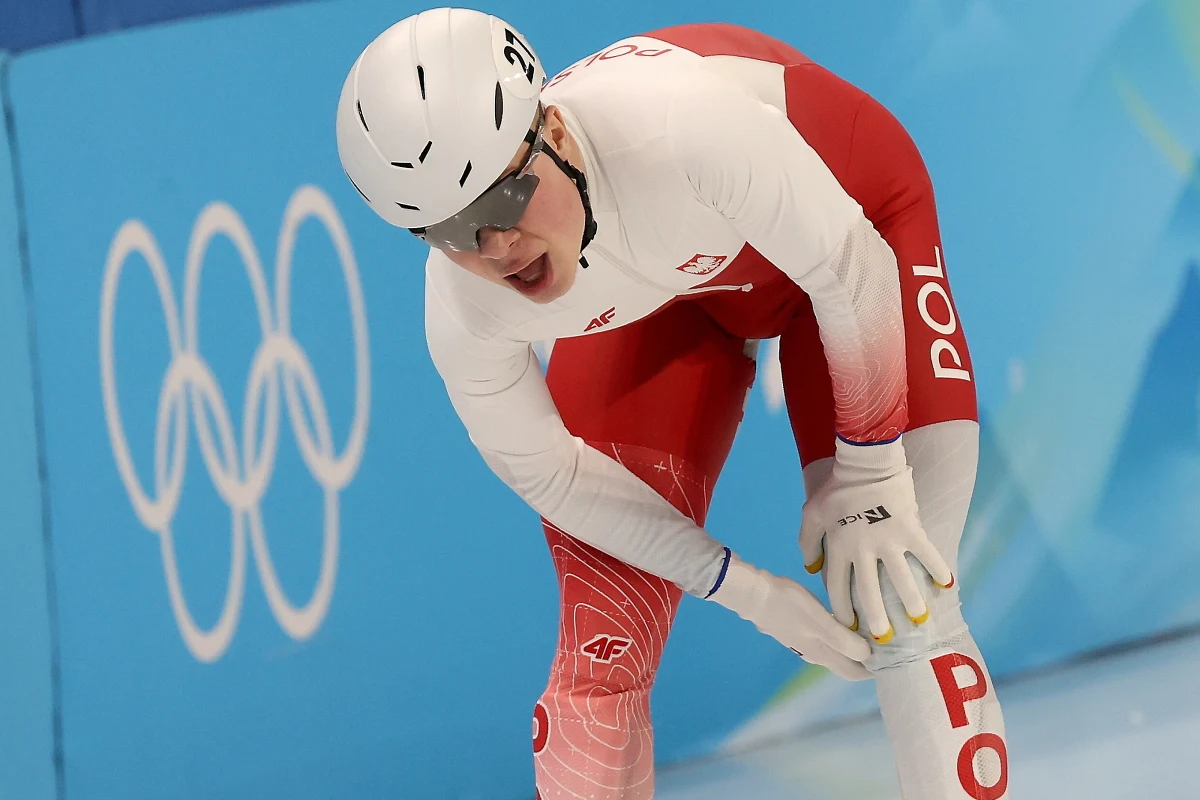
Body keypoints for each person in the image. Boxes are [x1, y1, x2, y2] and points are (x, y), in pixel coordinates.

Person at [336, 9, 1008, 799]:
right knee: (600, 661)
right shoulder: (465, 308)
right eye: (449, 229)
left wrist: (869, 474)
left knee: (905, 593)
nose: (494, 248)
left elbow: (849, 269)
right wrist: (749, 593)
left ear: (551, 127)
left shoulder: (678, 127)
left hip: (850, 231)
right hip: (666, 298)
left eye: (506, 197)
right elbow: (553, 477)